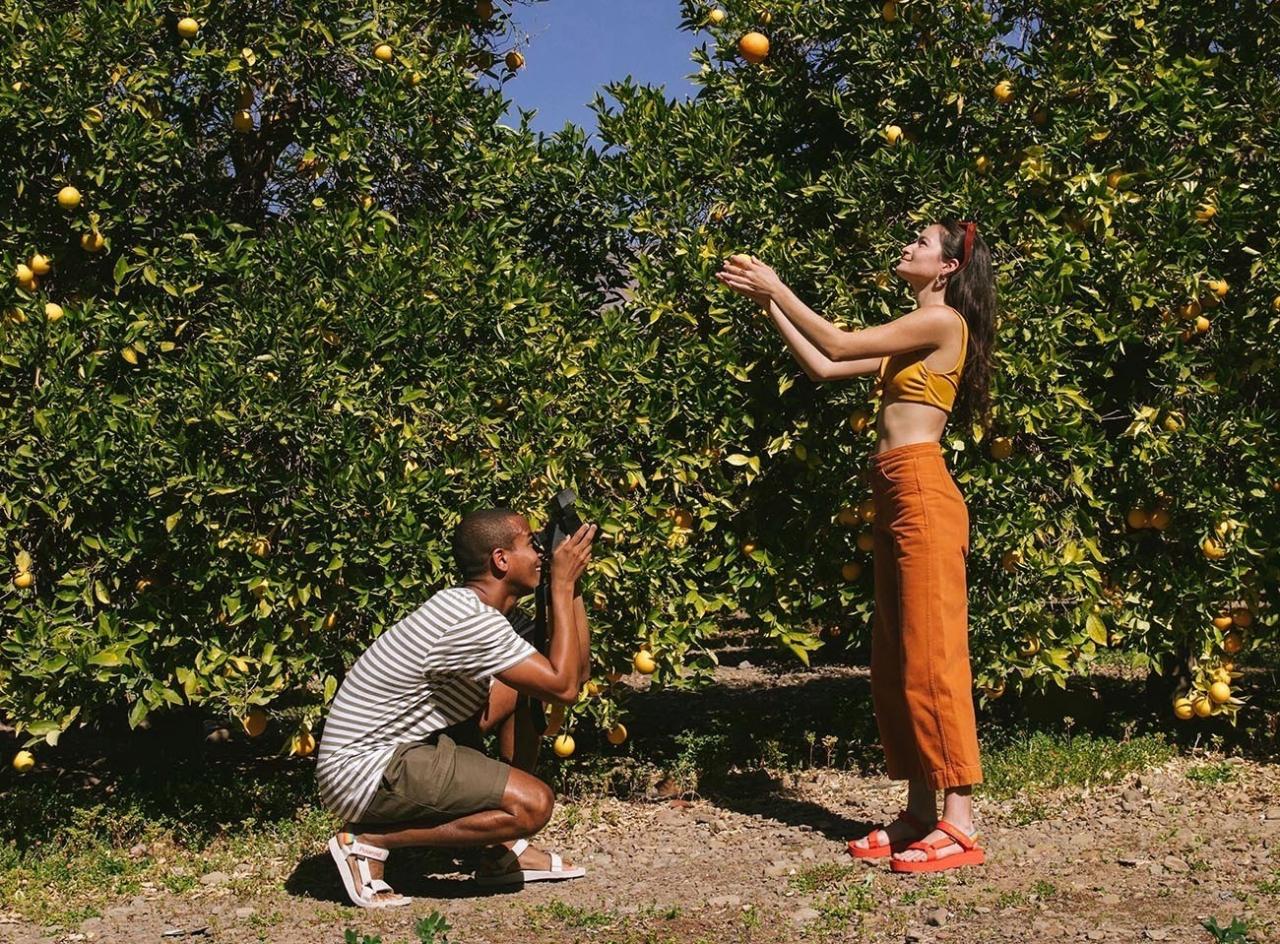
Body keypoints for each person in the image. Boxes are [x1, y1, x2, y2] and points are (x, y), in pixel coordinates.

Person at [716, 219, 996, 874]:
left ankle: (959, 822)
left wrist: (779, 285)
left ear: (948, 268)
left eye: (921, 244)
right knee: (898, 656)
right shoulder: (912, 331)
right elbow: (824, 362)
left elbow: (838, 338)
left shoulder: (942, 324)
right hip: (897, 493)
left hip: (924, 492)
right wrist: (769, 304)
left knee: (933, 656)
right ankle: (921, 812)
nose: (906, 248)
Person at [316, 508, 597, 907]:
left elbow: (575, 672)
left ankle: (498, 851)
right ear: (501, 560)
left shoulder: (492, 615)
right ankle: (367, 842)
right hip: (363, 770)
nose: (541, 554)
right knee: (534, 805)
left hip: (403, 751)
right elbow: (565, 688)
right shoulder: (469, 619)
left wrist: (572, 585)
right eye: (532, 545)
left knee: (527, 688)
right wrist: (562, 587)